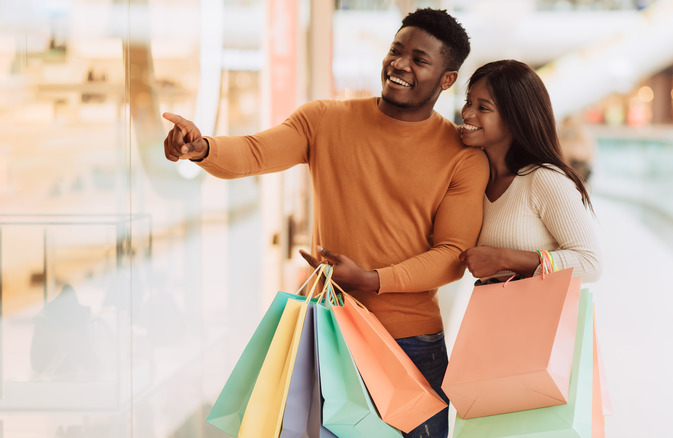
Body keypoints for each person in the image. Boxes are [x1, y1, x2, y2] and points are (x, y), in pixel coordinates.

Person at [162, 8, 488, 437]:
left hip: (411, 345)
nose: (400, 65)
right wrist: (202, 148)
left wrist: (371, 279)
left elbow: (452, 256)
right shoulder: (325, 119)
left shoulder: (463, 156)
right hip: (332, 337)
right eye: (396, 50)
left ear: (446, 79)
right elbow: (255, 153)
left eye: (419, 60)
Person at [458, 59, 601, 284]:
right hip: (494, 315)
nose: (466, 113)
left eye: (483, 108)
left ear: (515, 118)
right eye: (468, 102)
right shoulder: (476, 179)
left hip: (536, 318)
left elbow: (590, 263)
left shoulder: (544, 179)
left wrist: (505, 258)